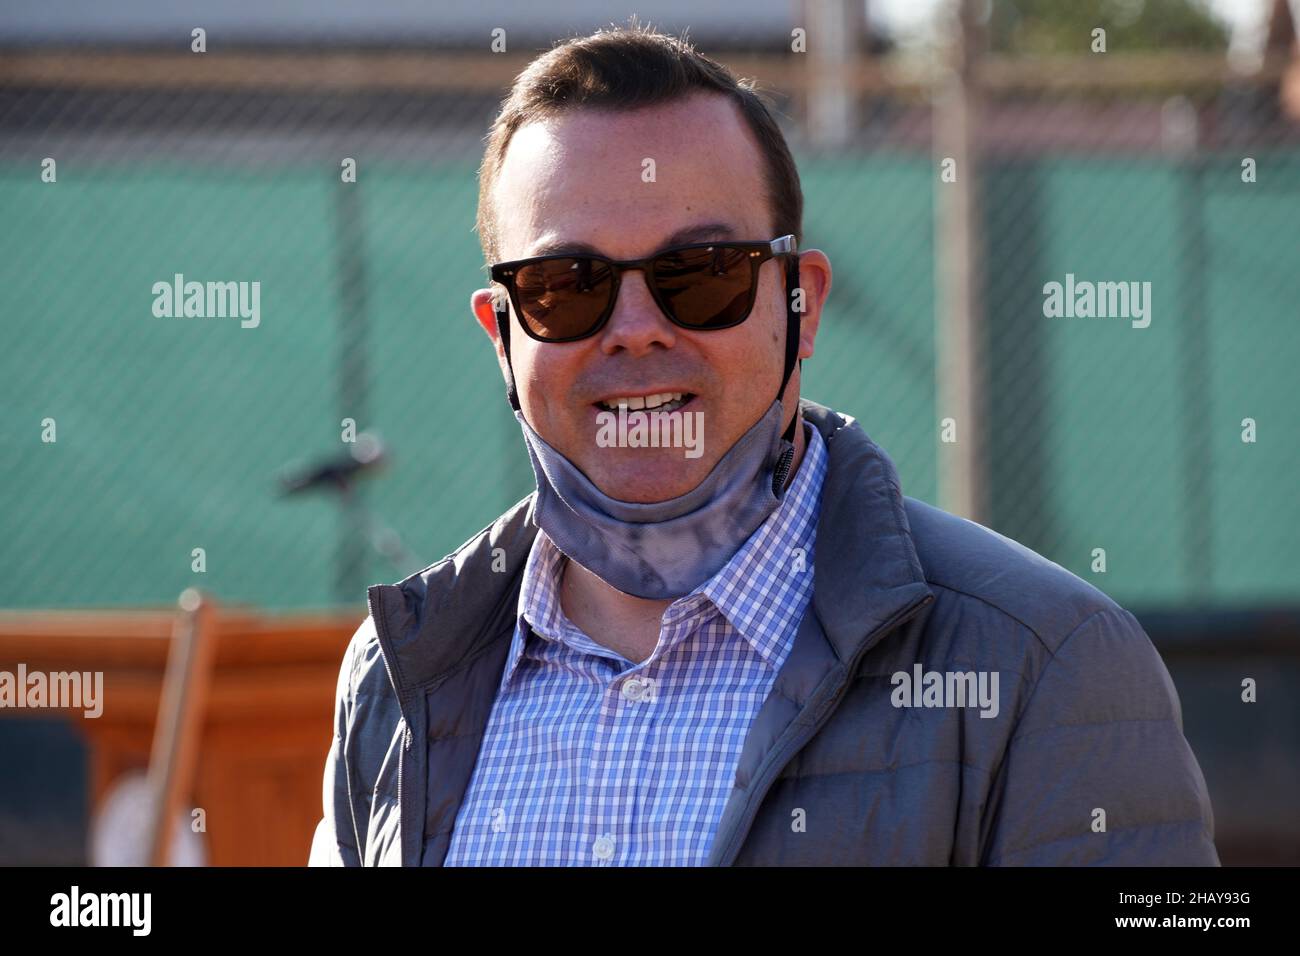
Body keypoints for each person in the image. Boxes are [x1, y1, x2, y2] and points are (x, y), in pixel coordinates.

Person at [309, 25, 1218, 866]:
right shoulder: (397, 680)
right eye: (566, 284)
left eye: (701, 275)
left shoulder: (1043, 671)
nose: (634, 330)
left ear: (803, 304)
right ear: (501, 336)